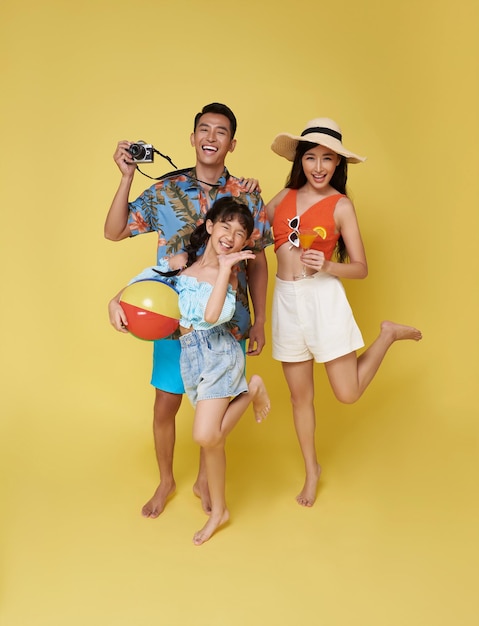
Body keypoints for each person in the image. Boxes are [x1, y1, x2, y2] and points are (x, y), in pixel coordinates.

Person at [104, 103, 272, 518]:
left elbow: (261, 261)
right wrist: (126, 177)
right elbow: (114, 230)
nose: (211, 138)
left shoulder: (247, 193)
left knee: (211, 404)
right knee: (166, 403)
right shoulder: (166, 190)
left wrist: (262, 321)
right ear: (193, 138)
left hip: (225, 321)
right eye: (203, 130)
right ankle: (165, 481)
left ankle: (203, 479)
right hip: (173, 320)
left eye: (220, 132)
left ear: (232, 144)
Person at [265, 117, 422, 508]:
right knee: (300, 399)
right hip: (286, 300)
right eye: (312, 157)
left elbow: (362, 267)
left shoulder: (341, 205)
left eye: (328, 159)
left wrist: (329, 266)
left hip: (324, 298)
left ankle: (386, 334)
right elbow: (248, 226)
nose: (319, 167)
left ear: (339, 164)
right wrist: (246, 194)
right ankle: (311, 470)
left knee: (347, 393)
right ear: (300, 160)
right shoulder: (282, 196)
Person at [109, 198, 271, 545]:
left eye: (240, 233)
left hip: (221, 358)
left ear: (244, 244)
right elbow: (143, 282)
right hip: (190, 357)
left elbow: (211, 317)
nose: (231, 235)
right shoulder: (181, 264)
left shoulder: (224, 280)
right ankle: (218, 504)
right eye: (225, 226)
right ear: (210, 226)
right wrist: (114, 300)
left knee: (204, 436)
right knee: (213, 440)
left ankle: (250, 391)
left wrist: (227, 268)